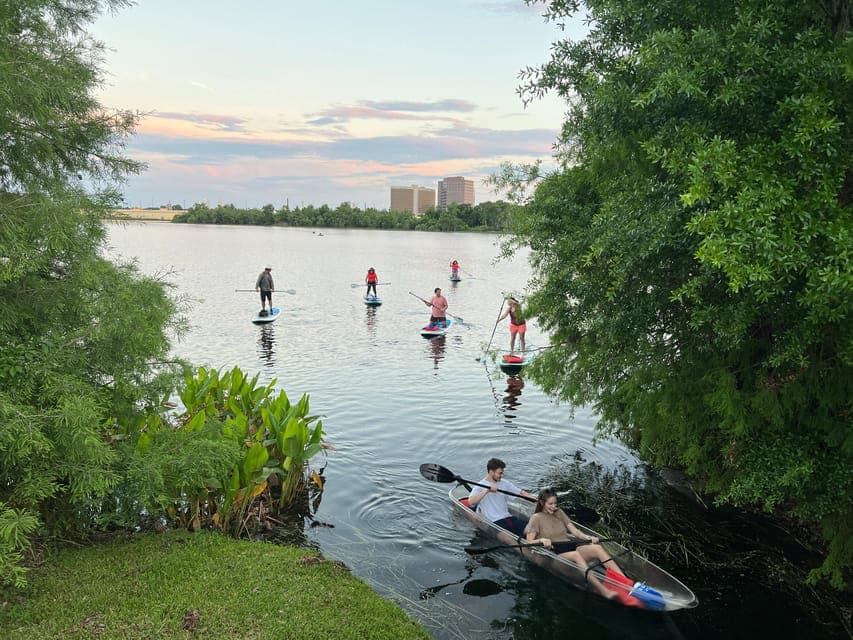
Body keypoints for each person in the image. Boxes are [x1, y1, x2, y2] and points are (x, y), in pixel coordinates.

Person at [524, 488, 627, 599]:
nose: (554, 507)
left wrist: (588, 537)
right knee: (575, 555)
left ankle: (626, 583)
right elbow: (529, 542)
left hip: (570, 546)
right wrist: (541, 540)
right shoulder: (536, 518)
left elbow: (574, 531)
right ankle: (605, 591)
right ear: (542, 503)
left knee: (596, 548)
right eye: (550, 504)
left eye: (555, 503)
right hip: (554, 556)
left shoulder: (559, 512)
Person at [468, 458, 535, 536]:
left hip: (508, 517)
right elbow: (471, 501)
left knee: (533, 528)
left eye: (502, 473)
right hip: (494, 523)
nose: (502, 475)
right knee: (511, 537)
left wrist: (532, 498)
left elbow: (520, 492)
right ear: (491, 472)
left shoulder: (505, 483)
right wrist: (487, 490)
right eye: (500, 473)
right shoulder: (480, 485)